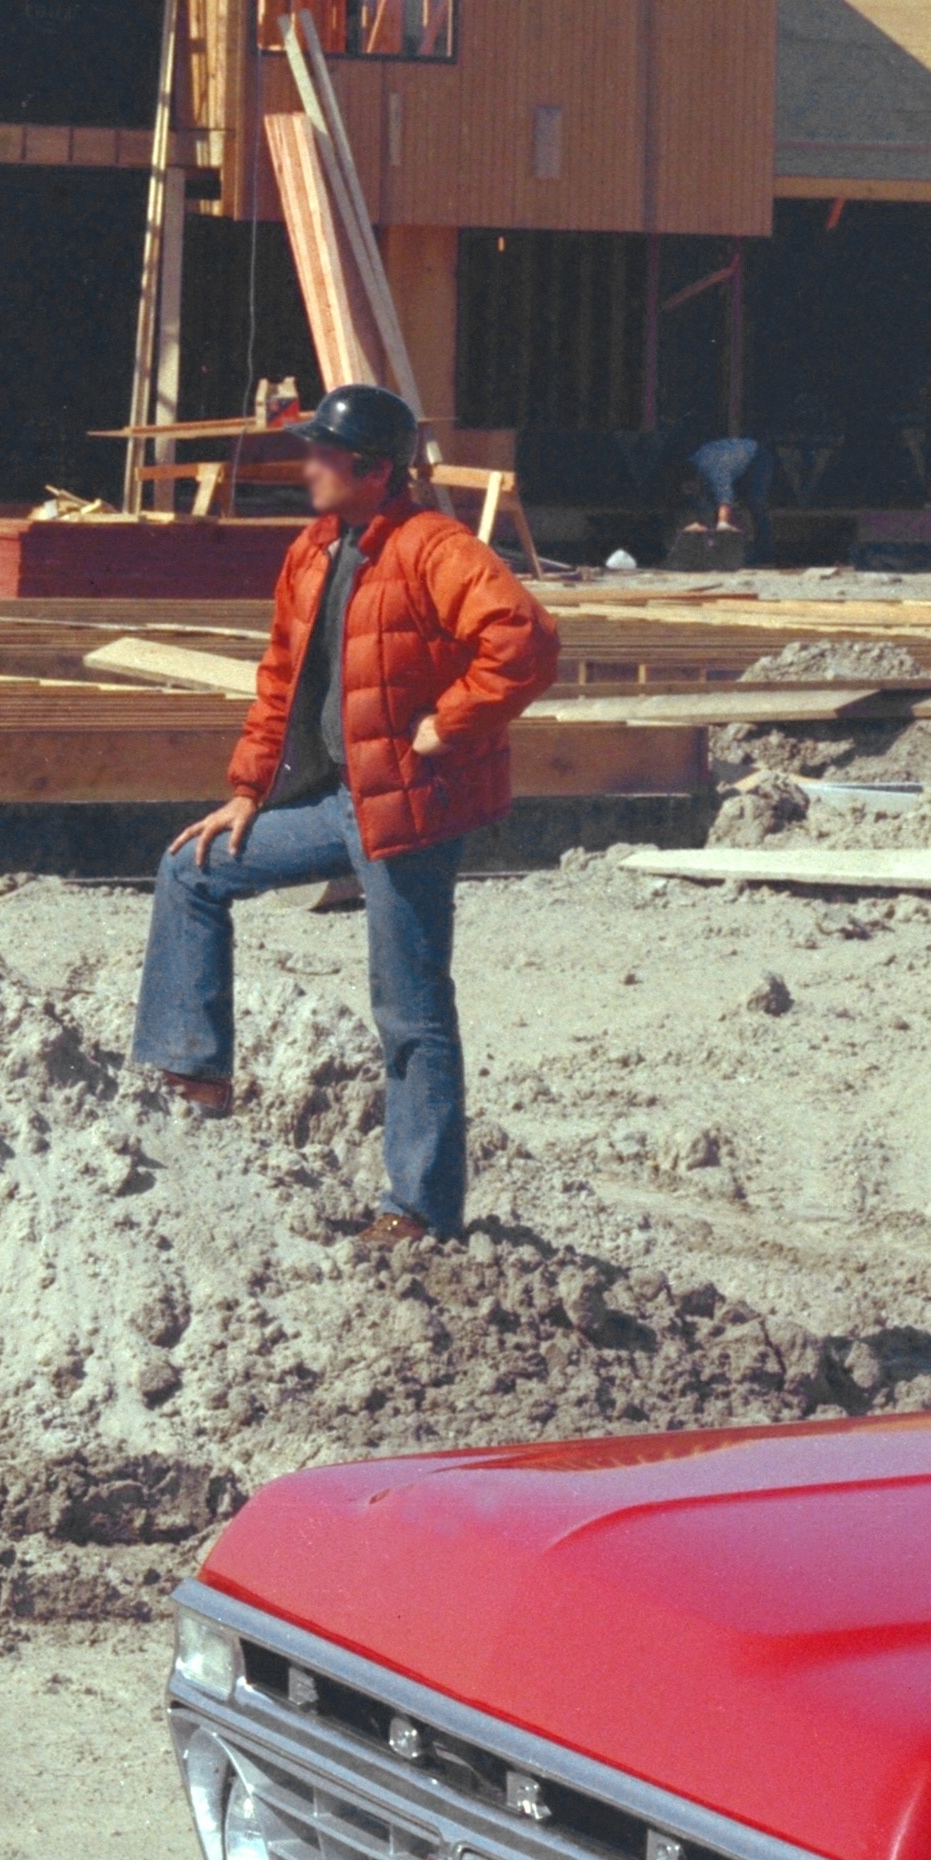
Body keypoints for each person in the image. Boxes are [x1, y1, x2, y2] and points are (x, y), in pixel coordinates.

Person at [134, 382, 559, 1245]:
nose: (307, 466)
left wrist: (453, 721)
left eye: (322, 454)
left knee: (410, 1011)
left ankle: (420, 1210)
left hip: (412, 812)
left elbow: (528, 640)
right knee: (190, 870)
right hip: (336, 803)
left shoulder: (434, 548)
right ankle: (196, 1072)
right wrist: (249, 791)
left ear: (369, 470)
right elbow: (282, 680)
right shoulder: (314, 549)